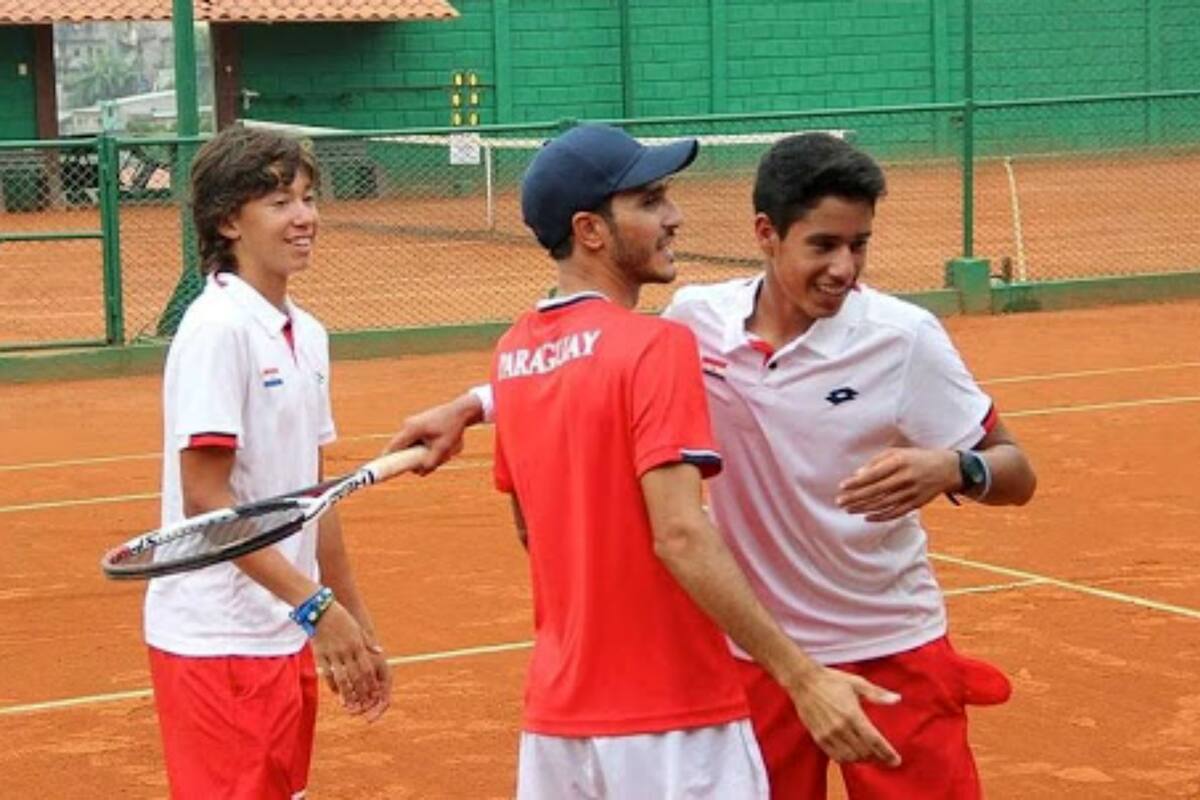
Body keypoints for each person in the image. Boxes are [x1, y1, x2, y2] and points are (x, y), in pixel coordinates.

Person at [391, 131, 1036, 799]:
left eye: (859, 245)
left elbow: (1015, 469)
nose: (844, 268)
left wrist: (957, 469)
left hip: (891, 643)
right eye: (823, 245)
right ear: (766, 234)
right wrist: (474, 404)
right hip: (757, 653)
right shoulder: (696, 321)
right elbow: (602, 364)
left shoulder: (903, 338)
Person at [464, 124, 901, 799]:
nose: (674, 216)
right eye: (649, 201)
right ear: (591, 230)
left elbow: (532, 528)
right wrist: (801, 676)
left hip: (557, 722)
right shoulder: (657, 345)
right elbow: (680, 534)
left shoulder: (513, 353)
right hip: (673, 716)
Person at [145, 126, 391, 800]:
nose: (304, 217)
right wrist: (316, 607)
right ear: (229, 221)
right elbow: (206, 500)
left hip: (280, 630)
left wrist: (352, 617)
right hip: (218, 641)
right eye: (280, 202)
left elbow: (314, 498)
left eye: (308, 198)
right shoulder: (216, 329)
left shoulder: (307, 334)